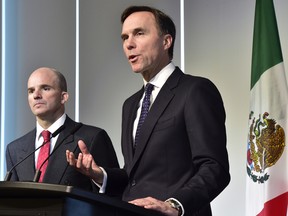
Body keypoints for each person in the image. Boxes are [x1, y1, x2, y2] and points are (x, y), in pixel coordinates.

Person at [66, 5, 230, 215]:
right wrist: (100, 175)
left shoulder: (195, 90)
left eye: (139, 33)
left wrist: (175, 204)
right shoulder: (131, 104)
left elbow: (214, 168)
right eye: (124, 37)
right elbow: (134, 175)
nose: (129, 44)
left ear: (166, 41)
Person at [6, 67, 119, 193]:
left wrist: (99, 177)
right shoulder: (14, 149)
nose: (36, 95)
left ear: (63, 97)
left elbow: (116, 193)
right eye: (31, 91)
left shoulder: (92, 138)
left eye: (45, 88)